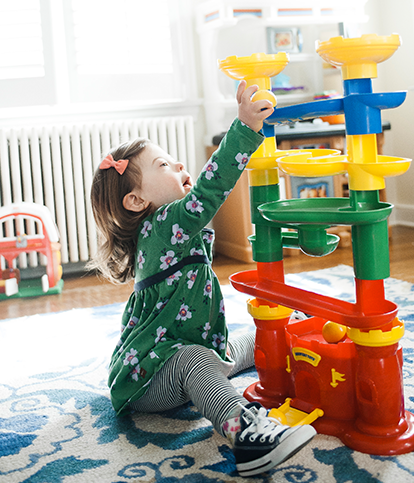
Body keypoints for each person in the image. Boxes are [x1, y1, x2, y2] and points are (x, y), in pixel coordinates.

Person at [89, 80, 316, 477]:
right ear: (137, 200)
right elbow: (210, 191)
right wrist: (244, 128)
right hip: (149, 377)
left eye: (174, 160)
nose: (179, 165)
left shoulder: (166, 229)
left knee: (227, 350)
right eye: (164, 165)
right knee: (199, 360)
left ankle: (287, 332)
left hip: (188, 349)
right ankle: (245, 434)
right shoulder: (162, 224)